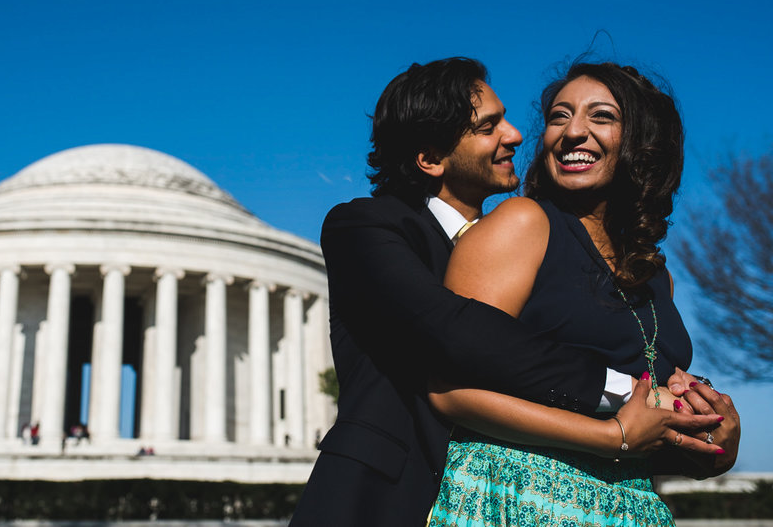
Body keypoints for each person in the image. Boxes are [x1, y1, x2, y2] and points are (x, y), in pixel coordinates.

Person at [288, 59, 727, 527]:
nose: (517, 135)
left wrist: (706, 430)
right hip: (402, 494)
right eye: (488, 126)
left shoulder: (633, 268)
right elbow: (457, 330)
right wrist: (628, 396)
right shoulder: (370, 227)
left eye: (600, 116)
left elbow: (636, 419)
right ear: (431, 158)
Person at [426, 62, 740, 525]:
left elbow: (641, 423)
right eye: (559, 116)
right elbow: (451, 392)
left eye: (601, 117)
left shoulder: (658, 275)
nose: (573, 132)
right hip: (517, 497)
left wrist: (714, 442)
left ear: (643, 141)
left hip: (631, 506)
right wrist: (616, 437)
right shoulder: (522, 224)